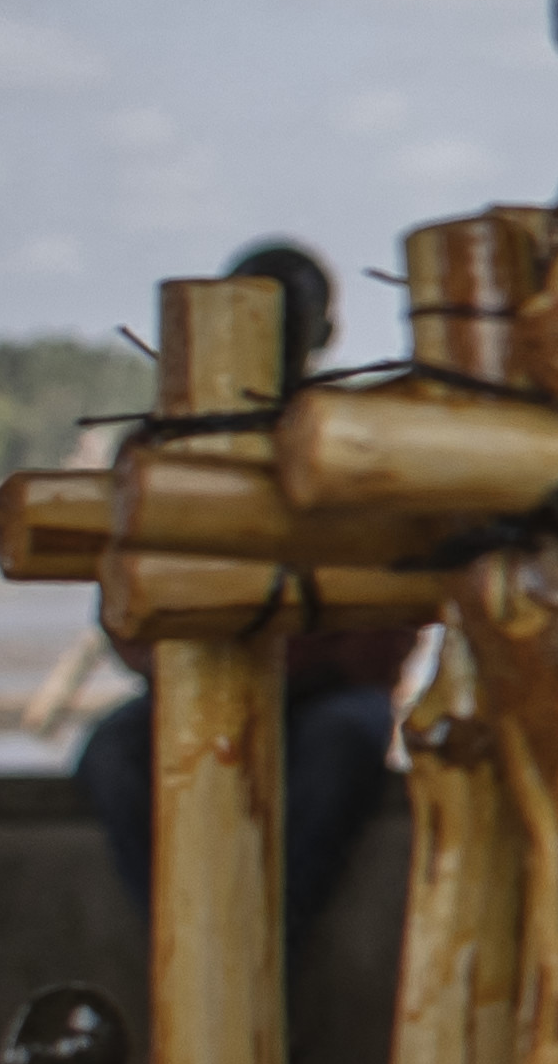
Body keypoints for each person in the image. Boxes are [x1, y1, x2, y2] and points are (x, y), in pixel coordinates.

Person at [75, 240, 406, 924]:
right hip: (194, 678)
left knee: (342, 746)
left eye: (290, 316)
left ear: (322, 333)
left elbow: (395, 600)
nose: (273, 332)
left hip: (325, 698)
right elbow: (124, 596)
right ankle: (177, 932)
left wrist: (294, 661)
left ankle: (272, 935)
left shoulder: (363, 444)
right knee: (111, 755)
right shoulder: (160, 446)